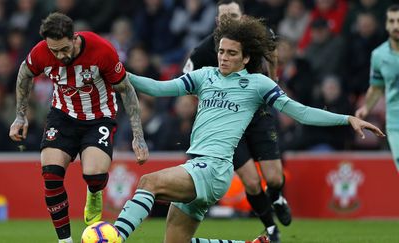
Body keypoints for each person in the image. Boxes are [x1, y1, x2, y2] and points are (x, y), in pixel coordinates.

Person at [113, 14, 385, 243]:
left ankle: (112, 237)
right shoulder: (204, 76)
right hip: (195, 164)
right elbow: (159, 89)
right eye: (221, 51)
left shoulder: (257, 84)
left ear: (245, 59)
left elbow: (299, 112)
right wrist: (119, 74)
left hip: (214, 169)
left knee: (148, 183)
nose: (224, 58)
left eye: (232, 53)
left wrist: (346, 118)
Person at [8, 12, 149, 243]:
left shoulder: (101, 50)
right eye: (54, 51)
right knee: (51, 175)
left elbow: (126, 90)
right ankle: (65, 241)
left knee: (94, 175)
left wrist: (138, 136)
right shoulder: (41, 52)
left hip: (99, 117)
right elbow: (24, 74)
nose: (60, 56)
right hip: (62, 116)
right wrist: (20, 116)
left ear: (74, 38)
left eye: (64, 49)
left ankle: (94, 192)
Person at [183, 0, 289, 241]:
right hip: (228, 126)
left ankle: (277, 196)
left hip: (258, 116)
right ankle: (270, 227)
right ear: (216, 21)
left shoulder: (257, 35)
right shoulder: (203, 50)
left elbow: (272, 49)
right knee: (251, 182)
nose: (227, 20)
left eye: (232, 15)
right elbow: (186, 80)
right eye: (222, 17)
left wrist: (273, 79)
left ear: (243, 17)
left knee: (273, 178)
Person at [355, 4, 399, 172]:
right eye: (392, 21)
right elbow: (376, 87)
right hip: (395, 123)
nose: (396, 26)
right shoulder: (379, 55)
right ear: (387, 25)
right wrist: (366, 107)